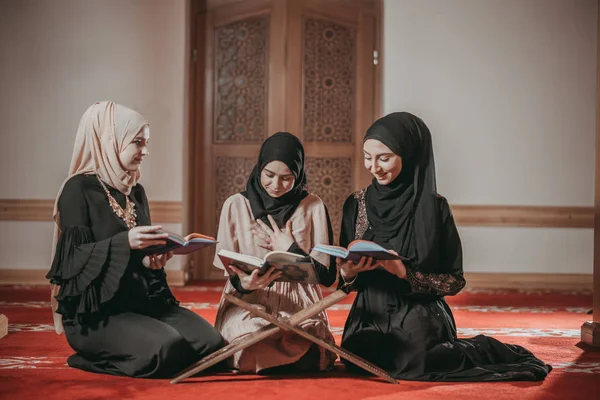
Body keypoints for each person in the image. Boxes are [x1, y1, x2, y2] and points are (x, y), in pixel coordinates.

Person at [337, 112, 551, 381]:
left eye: (384, 158)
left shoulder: (434, 207)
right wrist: (348, 273)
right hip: (369, 314)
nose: (374, 167)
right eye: (368, 157)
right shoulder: (355, 204)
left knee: (416, 360)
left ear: (410, 154)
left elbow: (453, 281)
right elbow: (344, 282)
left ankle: (481, 350)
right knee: (359, 358)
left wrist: (403, 273)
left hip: (417, 314)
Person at [46, 101, 223, 378]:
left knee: (212, 345)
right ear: (110, 141)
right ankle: (86, 358)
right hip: (96, 316)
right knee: (168, 349)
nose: (145, 151)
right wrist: (125, 242)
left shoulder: (135, 190)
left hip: (139, 302)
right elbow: (72, 263)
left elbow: (137, 258)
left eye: (146, 142)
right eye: (137, 143)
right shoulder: (77, 189)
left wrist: (153, 262)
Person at [213, 132, 338, 374]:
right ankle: (280, 357)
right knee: (250, 335)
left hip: (298, 302)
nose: (276, 185)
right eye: (269, 175)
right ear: (259, 168)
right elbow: (231, 272)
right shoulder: (235, 205)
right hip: (247, 300)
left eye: (287, 178)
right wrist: (247, 284)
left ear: (298, 175)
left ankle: (275, 356)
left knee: (302, 335)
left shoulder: (313, 205)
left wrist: (290, 248)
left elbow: (327, 277)